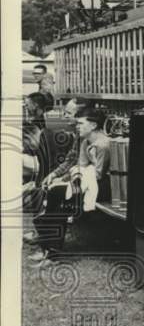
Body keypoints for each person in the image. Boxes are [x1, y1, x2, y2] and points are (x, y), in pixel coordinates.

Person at [27, 105, 112, 265]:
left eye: (80, 123)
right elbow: (79, 168)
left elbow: (99, 175)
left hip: (103, 187)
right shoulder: (85, 141)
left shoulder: (103, 145)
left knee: (60, 201)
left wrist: (69, 181)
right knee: (54, 193)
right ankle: (48, 250)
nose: (76, 126)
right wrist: (62, 179)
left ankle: (51, 253)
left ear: (93, 125)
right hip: (88, 182)